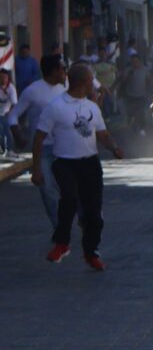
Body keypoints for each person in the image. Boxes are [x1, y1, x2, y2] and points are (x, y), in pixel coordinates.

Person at [34, 63, 123, 270]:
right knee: (70, 199)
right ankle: (62, 244)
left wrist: (114, 148)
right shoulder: (56, 107)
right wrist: (37, 169)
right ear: (83, 83)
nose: (94, 83)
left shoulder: (92, 107)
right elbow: (38, 138)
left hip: (90, 164)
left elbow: (102, 134)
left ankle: (91, 252)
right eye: (92, 80)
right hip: (65, 163)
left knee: (94, 213)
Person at [10, 55, 68, 225]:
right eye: (63, 68)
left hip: (63, 148)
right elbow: (13, 115)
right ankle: (59, 227)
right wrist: (18, 136)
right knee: (48, 190)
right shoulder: (32, 91)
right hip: (42, 149)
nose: (65, 72)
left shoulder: (64, 90)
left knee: (67, 189)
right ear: (53, 71)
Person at [119, 54, 150, 134]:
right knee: (130, 112)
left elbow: (148, 80)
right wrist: (129, 75)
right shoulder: (128, 70)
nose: (135, 63)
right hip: (130, 95)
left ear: (139, 61)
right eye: (133, 62)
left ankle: (142, 128)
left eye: (136, 61)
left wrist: (147, 90)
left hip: (141, 95)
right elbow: (124, 82)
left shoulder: (145, 69)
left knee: (140, 112)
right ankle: (131, 126)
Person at [0, 68, 17, 159]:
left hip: (7, 112)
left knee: (7, 131)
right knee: (1, 131)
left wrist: (10, 114)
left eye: (5, 77)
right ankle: (3, 149)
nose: (3, 79)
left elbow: (14, 104)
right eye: (1, 77)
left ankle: (10, 150)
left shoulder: (11, 89)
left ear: (8, 78)